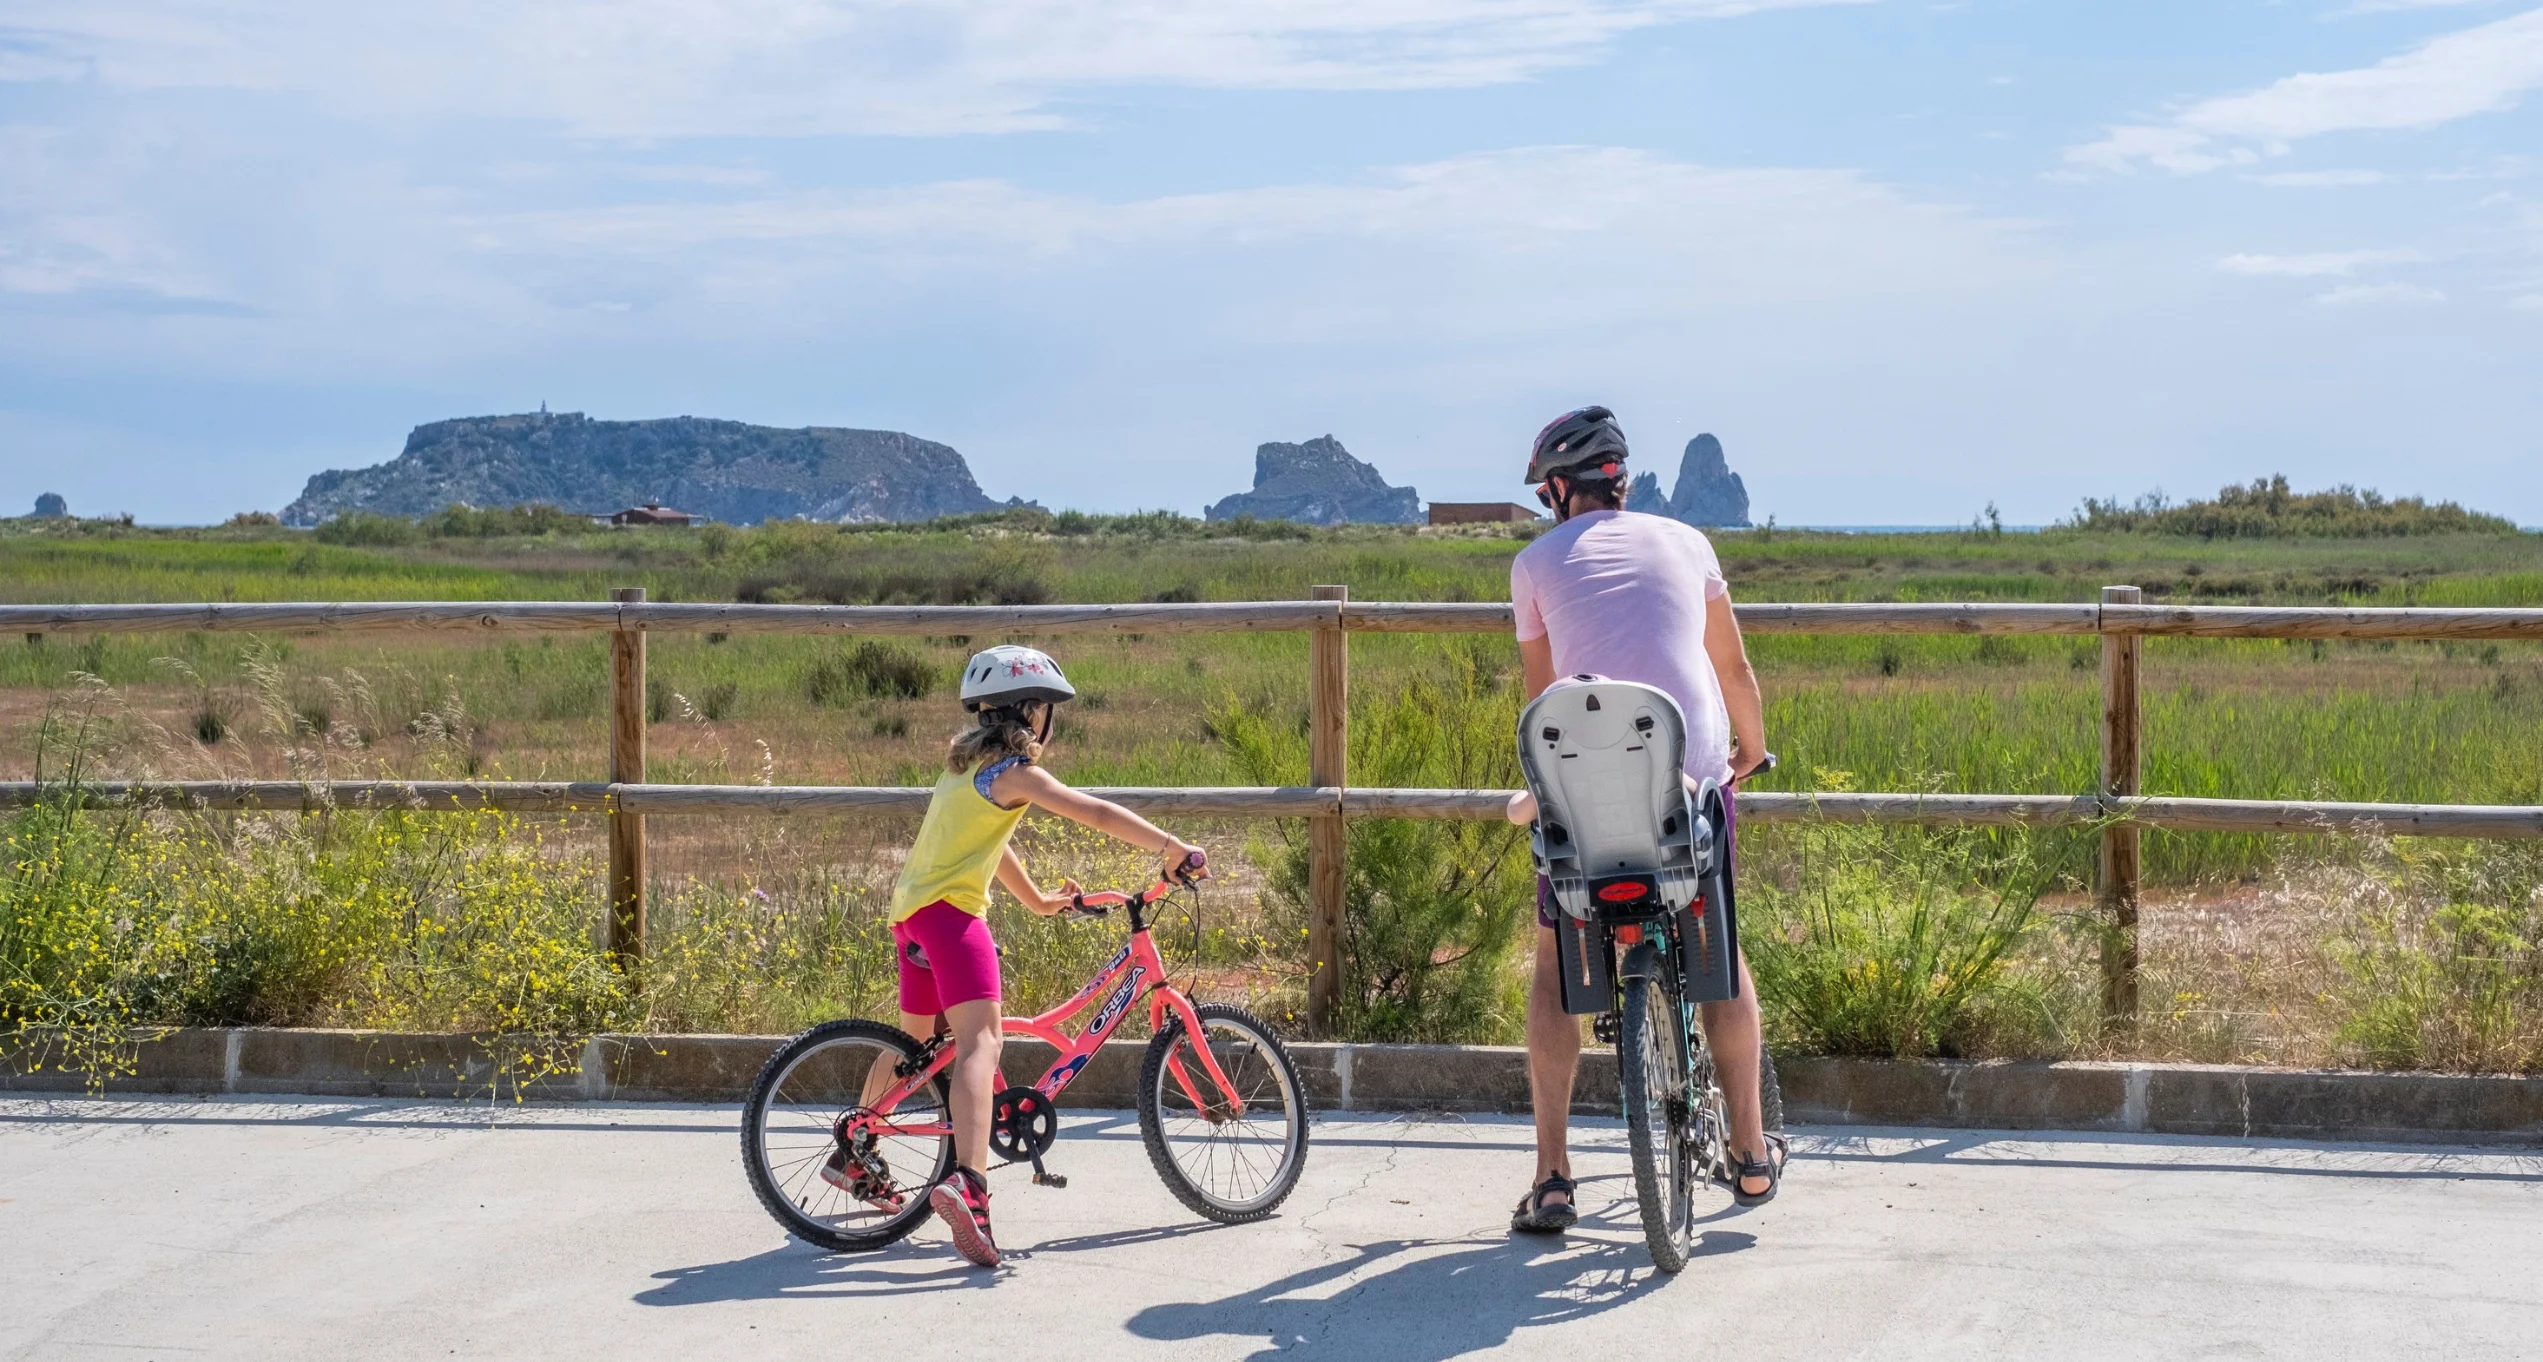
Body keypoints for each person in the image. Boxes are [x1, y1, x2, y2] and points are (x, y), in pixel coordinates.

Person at [1500, 405, 1784, 1234]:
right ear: (1619, 479)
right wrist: (1749, 752)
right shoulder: (1689, 542)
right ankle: (1753, 1154)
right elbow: (1731, 666)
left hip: (1582, 790)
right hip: (1686, 780)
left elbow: (1544, 700)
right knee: (1720, 957)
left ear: (1558, 489)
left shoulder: (1531, 564)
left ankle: (1552, 1175)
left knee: (1556, 965)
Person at [863, 643, 1205, 1269]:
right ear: (1029, 711)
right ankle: (969, 1184)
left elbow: (991, 844)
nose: (1052, 720)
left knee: (914, 1048)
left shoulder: (967, 768)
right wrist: (1171, 846)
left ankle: (856, 1151)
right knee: (980, 1045)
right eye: (1048, 708)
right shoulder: (1016, 772)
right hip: (950, 918)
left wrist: (1042, 900)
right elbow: (1093, 810)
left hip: (910, 917)